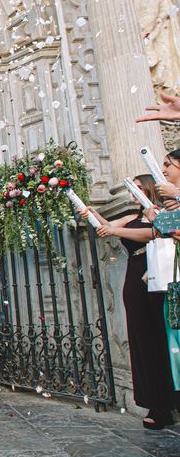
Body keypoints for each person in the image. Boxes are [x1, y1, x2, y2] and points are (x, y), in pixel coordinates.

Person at [82, 175, 176, 429]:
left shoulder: (162, 212)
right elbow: (109, 225)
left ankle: (169, 398)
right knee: (142, 339)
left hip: (159, 275)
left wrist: (114, 230)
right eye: (129, 188)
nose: (132, 192)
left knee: (163, 338)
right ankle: (155, 401)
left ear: (147, 188)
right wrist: (93, 215)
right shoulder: (133, 215)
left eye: (135, 187)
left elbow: (151, 234)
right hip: (136, 278)